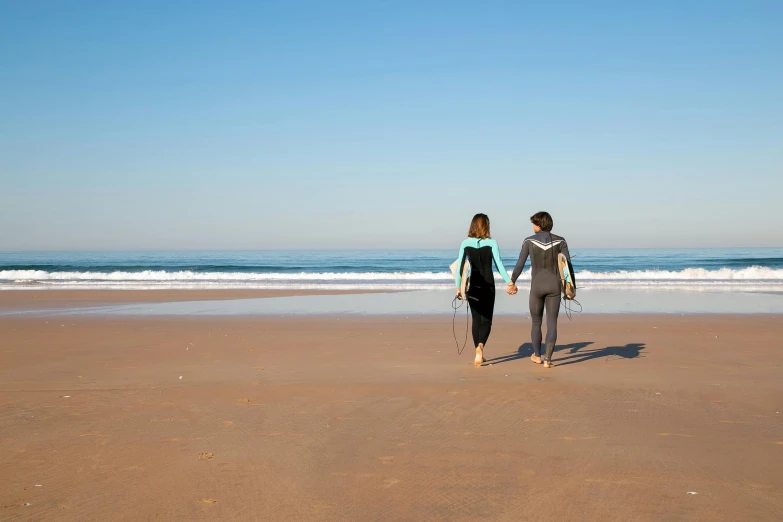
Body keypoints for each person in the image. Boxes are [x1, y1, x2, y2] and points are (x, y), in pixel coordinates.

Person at [507, 211, 572, 368]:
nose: (532, 226)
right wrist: (570, 289)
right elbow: (567, 268)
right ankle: (548, 359)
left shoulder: (529, 241)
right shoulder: (560, 241)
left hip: (536, 286)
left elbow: (520, 264)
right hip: (554, 286)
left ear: (539, 224)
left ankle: (537, 356)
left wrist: (512, 281)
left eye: (533, 223)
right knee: (552, 323)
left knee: (536, 322)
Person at [455, 213, 515, 367]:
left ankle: (477, 351)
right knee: (486, 319)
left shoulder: (465, 243)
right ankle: (481, 346)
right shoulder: (492, 243)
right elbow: (499, 264)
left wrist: (458, 287)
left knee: (476, 319)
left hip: (473, 285)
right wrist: (510, 282)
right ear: (487, 226)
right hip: (488, 284)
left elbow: (460, 269)